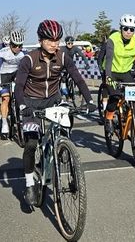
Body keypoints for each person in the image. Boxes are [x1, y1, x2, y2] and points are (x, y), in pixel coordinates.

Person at [15, 20, 95, 206]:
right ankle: (29, 183)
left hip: (53, 99)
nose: (54, 44)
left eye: (56, 40)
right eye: (49, 40)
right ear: (40, 40)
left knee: (67, 122)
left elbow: (78, 79)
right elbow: (18, 87)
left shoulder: (63, 57)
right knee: (32, 143)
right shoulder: (29, 59)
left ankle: (65, 152)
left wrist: (89, 100)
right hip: (31, 102)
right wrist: (21, 106)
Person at [0, 30, 26, 140]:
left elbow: (28, 65)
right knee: (5, 99)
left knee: (22, 95)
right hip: (4, 75)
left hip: (16, 74)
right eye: (14, 45)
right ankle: (5, 122)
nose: (17, 48)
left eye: (20, 45)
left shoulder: (23, 53)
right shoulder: (3, 52)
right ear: (10, 44)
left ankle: (22, 118)